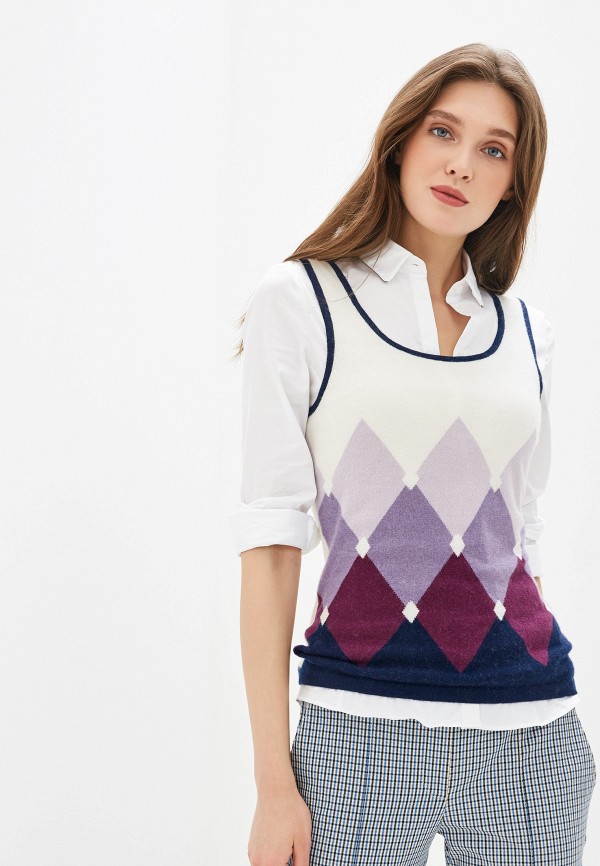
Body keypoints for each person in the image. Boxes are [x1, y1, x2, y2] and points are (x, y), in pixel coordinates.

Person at [228, 42, 596, 866]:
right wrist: (273, 783)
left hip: (532, 736)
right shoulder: (303, 300)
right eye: (443, 131)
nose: (462, 163)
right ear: (400, 140)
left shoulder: (524, 331)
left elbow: (522, 530)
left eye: (493, 149)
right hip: (356, 733)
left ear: (513, 183)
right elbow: (272, 542)